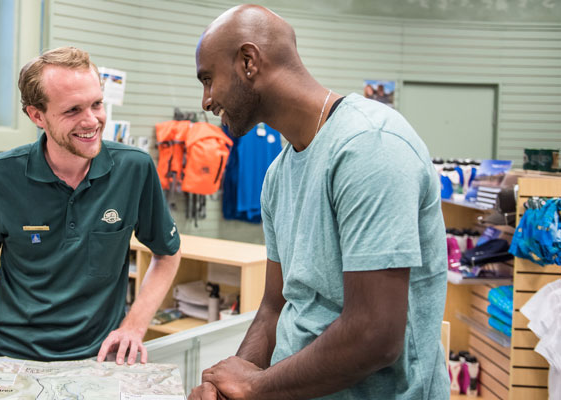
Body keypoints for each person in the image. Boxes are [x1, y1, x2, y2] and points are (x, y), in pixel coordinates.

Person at [190, 5, 447, 399]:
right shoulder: (277, 176)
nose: (206, 100)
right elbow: (276, 307)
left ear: (248, 61)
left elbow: (375, 334)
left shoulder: (369, 146)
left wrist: (255, 387)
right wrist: (232, 385)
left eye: (208, 79)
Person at [0, 47, 182, 365]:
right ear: (37, 116)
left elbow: (167, 254)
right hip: (7, 357)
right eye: (73, 110)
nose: (92, 121)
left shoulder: (135, 169)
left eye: (97, 104)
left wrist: (134, 325)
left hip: (96, 360)